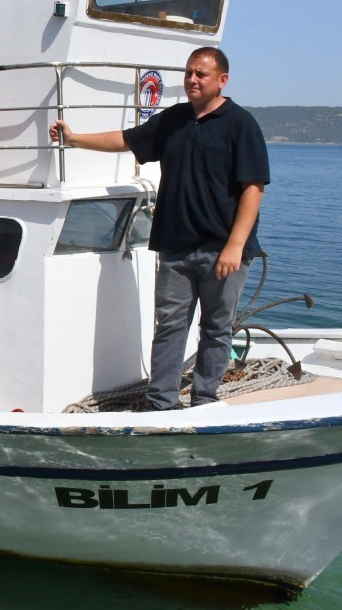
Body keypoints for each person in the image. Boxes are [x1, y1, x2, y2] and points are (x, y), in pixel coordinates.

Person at [50, 47, 269, 411]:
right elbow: (127, 139)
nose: (192, 80)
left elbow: (253, 187)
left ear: (222, 80)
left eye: (201, 74)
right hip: (176, 247)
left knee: (217, 328)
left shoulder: (241, 124)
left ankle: (204, 401)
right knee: (169, 327)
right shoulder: (174, 119)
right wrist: (75, 139)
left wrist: (235, 245)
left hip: (223, 251)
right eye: (188, 73)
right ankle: (161, 403)